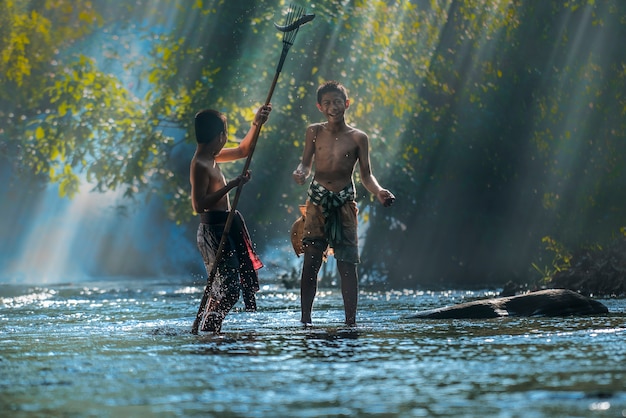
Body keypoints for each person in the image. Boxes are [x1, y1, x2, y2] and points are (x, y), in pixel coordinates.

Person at [292, 81, 395, 327]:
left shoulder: (359, 137)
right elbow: (306, 163)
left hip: (344, 203)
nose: (333, 107)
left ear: (346, 104)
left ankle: (351, 321)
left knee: (348, 265)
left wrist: (380, 192)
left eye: (337, 102)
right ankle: (305, 320)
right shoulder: (313, 132)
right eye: (327, 102)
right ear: (319, 106)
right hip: (317, 202)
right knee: (311, 261)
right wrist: (301, 173)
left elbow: (366, 175)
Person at [191, 104, 272, 333]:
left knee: (225, 289)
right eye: (225, 133)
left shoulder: (213, 156)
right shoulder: (200, 164)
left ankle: (210, 329)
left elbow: (242, 151)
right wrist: (232, 185)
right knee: (228, 291)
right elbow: (198, 205)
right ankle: (210, 328)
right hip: (212, 232)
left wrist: (257, 123)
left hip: (223, 228)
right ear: (220, 136)